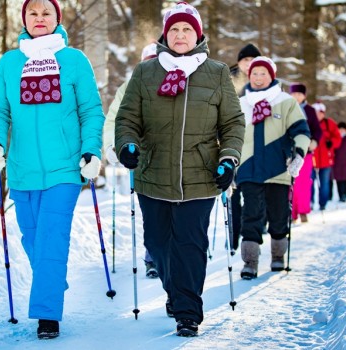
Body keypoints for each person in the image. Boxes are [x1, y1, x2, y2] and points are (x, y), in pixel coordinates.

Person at [114, 1, 244, 337]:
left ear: (198, 34)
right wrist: (128, 144)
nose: (180, 34)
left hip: (201, 175)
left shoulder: (215, 72)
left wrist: (228, 158)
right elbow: (127, 117)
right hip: (152, 172)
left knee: (189, 243)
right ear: (165, 34)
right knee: (158, 243)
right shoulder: (146, 72)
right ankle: (175, 291)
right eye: (174, 29)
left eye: (187, 28)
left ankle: (188, 311)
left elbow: (232, 122)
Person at [0, 0, 105, 340]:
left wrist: (90, 150)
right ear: (24, 19)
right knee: (33, 237)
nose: (39, 19)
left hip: (65, 169)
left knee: (52, 237)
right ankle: (52, 281)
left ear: (57, 19)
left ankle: (47, 315)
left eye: (46, 13)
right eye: (33, 13)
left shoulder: (74, 60)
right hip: (22, 170)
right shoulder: (10, 63)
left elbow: (91, 111)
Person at [235, 57, 310, 279]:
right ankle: (250, 261)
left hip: (278, 170)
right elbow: (231, 137)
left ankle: (278, 256)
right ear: (249, 76)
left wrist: (299, 154)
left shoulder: (286, 102)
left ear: (272, 75)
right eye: (255, 73)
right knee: (251, 216)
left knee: (278, 216)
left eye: (263, 73)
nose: (258, 78)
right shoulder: (241, 104)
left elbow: (302, 132)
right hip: (248, 171)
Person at [103, 43, 159, 279]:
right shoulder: (129, 87)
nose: (151, 64)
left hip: (173, 159)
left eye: (155, 59)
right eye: (147, 60)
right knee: (152, 213)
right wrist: (113, 147)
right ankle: (153, 257)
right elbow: (113, 120)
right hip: (140, 160)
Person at [229, 43, 262, 252]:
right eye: (245, 60)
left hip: (256, 143)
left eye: (253, 60)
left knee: (254, 193)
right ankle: (233, 236)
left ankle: (252, 233)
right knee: (234, 191)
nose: (249, 64)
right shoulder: (228, 77)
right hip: (234, 141)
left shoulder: (263, 79)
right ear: (239, 62)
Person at [289, 83, 322, 223]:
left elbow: (317, 129)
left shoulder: (309, 110)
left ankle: (303, 211)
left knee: (303, 182)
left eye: (299, 94)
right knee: (290, 183)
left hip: (306, 152)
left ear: (304, 95)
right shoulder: (286, 107)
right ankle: (291, 212)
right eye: (294, 94)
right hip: (289, 150)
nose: (296, 97)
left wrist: (315, 141)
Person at [311, 101, 342, 211]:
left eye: (321, 112)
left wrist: (331, 143)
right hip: (311, 159)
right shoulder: (308, 123)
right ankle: (310, 202)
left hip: (326, 160)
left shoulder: (330, 124)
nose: (319, 115)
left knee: (324, 184)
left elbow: (338, 138)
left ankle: (322, 203)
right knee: (310, 182)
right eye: (317, 112)